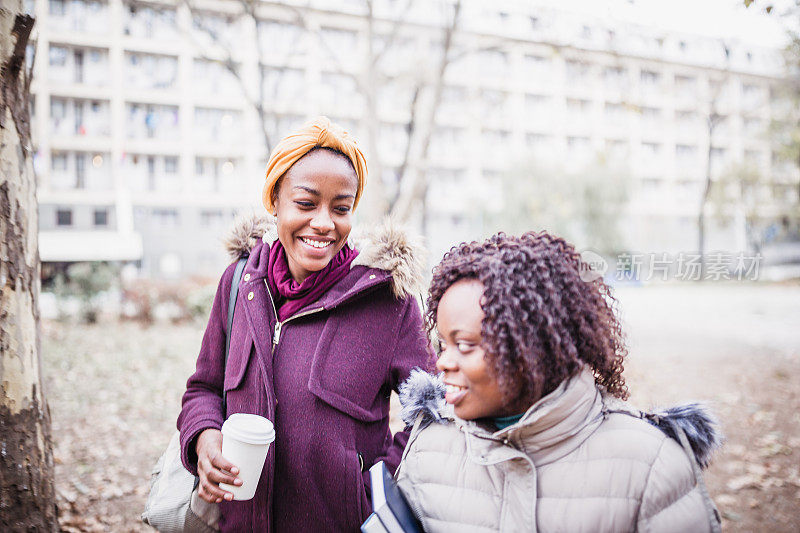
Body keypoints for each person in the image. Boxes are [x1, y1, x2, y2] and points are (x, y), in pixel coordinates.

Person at [177, 116, 435, 532]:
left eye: (341, 208)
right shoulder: (240, 285)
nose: (323, 223)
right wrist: (204, 438)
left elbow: (429, 415)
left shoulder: (388, 301)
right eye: (305, 203)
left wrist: (370, 498)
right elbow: (203, 389)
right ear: (274, 199)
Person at [395, 231, 722, 532]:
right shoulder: (428, 451)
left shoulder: (651, 464)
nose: (442, 362)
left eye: (465, 345)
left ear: (531, 348)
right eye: (442, 344)